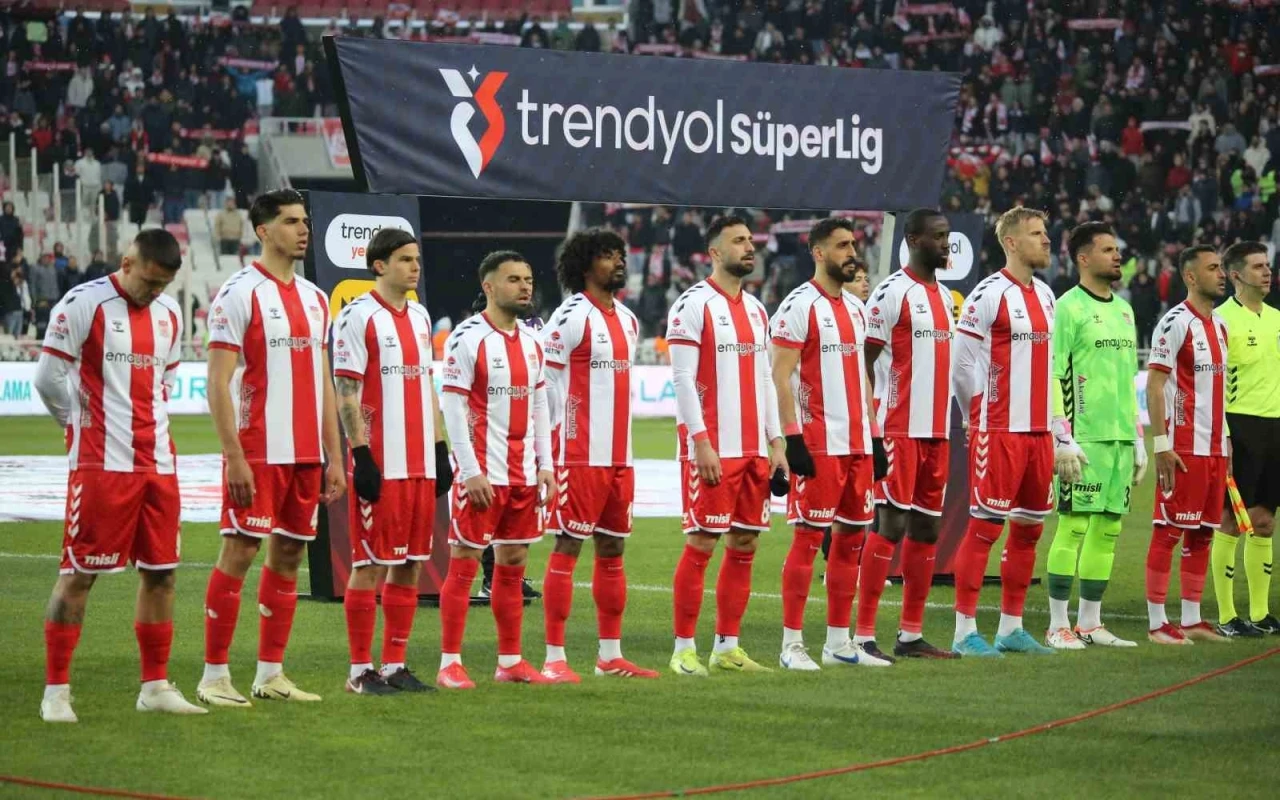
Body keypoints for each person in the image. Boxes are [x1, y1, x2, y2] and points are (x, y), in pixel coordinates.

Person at [33, 229, 206, 721]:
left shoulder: (169, 314)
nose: (154, 292)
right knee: (79, 573)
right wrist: (77, 426)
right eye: (149, 282)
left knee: (162, 573)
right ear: (127, 263)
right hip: (101, 463)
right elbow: (46, 379)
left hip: (159, 462)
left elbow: (164, 382)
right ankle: (56, 692)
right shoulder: (83, 304)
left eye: (163, 285)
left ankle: (155, 686)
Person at [197, 188, 346, 706]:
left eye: (305, 221)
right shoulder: (239, 293)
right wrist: (234, 455)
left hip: (305, 454)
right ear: (263, 231)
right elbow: (218, 382)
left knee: (288, 555)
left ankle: (270, 674)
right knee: (240, 551)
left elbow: (323, 381)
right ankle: (214, 676)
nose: (303, 230)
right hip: (259, 451)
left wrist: (333, 455)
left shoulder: (316, 298)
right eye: (290, 221)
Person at [332, 228, 453, 694]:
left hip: (419, 462)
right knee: (368, 564)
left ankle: (394, 665)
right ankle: (358, 671)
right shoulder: (357, 316)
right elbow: (347, 391)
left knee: (411, 564)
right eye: (405, 259)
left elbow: (426, 384)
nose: (414, 267)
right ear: (379, 265)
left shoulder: (420, 316)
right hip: (381, 461)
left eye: (417, 259)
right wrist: (361, 454)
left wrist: (439, 448)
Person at [667, 215, 787, 676]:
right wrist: (700, 442)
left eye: (751, 240)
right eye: (738, 241)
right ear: (715, 252)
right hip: (714, 447)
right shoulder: (692, 305)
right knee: (701, 542)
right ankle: (683, 650)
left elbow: (765, 379)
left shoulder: (757, 309)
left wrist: (776, 441)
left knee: (745, 542)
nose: (749, 247)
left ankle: (727, 647)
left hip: (754, 449)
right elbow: (681, 378)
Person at [537, 229, 659, 681]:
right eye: (608, 256)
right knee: (568, 545)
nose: (619, 262)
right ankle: (554, 658)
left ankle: (610, 656)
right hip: (578, 455)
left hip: (619, 456)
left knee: (613, 547)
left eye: (620, 255)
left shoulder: (627, 319)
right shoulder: (570, 317)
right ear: (586, 265)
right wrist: (551, 443)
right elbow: (544, 384)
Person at [769, 217, 887, 670]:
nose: (851, 253)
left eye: (853, 244)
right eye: (841, 246)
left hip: (857, 444)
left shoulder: (856, 308)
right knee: (807, 539)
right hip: (818, 443)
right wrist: (791, 438)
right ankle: (791, 644)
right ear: (818, 253)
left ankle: (839, 643)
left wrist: (875, 436)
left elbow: (861, 375)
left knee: (852, 540)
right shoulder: (799, 306)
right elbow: (779, 376)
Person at [436, 251, 557, 689]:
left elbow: (540, 404)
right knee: (465, 562)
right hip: (483, 474)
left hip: (523, 474)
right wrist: (469, 470)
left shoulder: (532, 341)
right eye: (513, 279)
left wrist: (546, 464)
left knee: (513, 562)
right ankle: (450, 663)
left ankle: (510, 661)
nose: (525, 286)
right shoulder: (467, 338)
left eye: (528, 279)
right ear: (488, 286)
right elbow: (452, 406)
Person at [949, 207, 1058, 657]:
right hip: (999, 430)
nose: (1046, 240)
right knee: (984, 529)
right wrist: (974, 414)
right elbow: (961, 364)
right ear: (1011, 243)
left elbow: (1049, 366)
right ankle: (964, 632)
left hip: (1038, 433)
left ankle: (1011, 628)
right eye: (1036, 233)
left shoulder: (1047, 294)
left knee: (1029, 530)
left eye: (1045, 232)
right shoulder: (988, 294)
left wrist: (1059, 430)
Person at [858, 209, 961, 660]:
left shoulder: (946, 297)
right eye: (938, 236)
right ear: (914, 240)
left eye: (948, 235)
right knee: (891, 524)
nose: (946, 243)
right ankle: (863, 635)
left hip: (937, 429)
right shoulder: (891, 292)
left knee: (927, 526)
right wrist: (871, 425)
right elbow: (863, 361)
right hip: (898, 427)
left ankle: (911, 635)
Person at [1042, 223, 1145, 649]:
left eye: (1117, 249)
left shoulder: (1125, 310)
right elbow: (1054, 373)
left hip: (1120, 438)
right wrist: (1061, 436)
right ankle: (1056, 626)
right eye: (1107, 249)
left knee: (1108, 529)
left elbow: (1127, 379)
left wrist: (1138, 437)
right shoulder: (1068, 307)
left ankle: (1090, 623)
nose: (1117, 256)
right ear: (1083, 258)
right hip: (1083, 439)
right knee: (1073, 527)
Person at [1144, 245, 1232, 645]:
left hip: (1214, 448)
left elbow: (1218, 391)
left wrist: (1225, 442)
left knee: (1204, 533)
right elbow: (1155, 385)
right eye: (1213, 268)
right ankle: (1157, 623)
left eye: (1222, 267)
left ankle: (1192, 618)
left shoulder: (1221, 326)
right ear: (1191, 277)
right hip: (1182, 447)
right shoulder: (1174, 322)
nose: (1222, 274)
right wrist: (1161, 444)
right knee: (1168, 532)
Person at [1210, 241, 1280, 636]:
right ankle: (1226, 616)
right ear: (1236, 274)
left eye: (1267, 265)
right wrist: (1223, 435)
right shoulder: (1221, 321)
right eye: (1258, 266)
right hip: (1239, 426)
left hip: (1276, 428)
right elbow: (1213, 383)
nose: (1267, 272)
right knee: (1231, 521)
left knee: (1265, 522)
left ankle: (1259, 613)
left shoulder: (1277, 319)